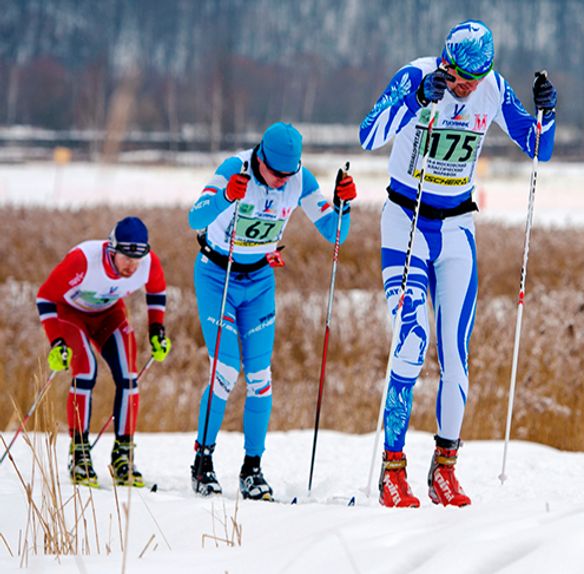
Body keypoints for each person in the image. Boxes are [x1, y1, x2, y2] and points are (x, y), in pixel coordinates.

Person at [359, 20, 557, 507]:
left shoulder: (493, 90)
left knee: (454, 353)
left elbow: (539, 148)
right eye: (456, 76)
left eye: (473, 79)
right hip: (406, 220)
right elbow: (368, 134)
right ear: (443, 60)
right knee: (410, 342)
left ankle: (444, 469)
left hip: (457, 232)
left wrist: (547, 113)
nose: (462, 87)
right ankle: (392, 468)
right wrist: (415, 101)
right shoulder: (417, 76)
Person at [188, 122, 357, 500]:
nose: (281, 182)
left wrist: (344, 207)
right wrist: (224, 199)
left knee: (261, 376)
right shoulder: (235, 168)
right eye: (275, 174)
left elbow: (335, 233)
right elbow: (194, 218)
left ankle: (252, 468)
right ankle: (203, 461)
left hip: (260, 280)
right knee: (226, 370)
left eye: (288, 174)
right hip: (219, 275)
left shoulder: (300, 180)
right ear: (260, 158)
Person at [36, 216, 172, 487]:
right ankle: (80, 455)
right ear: (112, 249)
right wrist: (57, 342)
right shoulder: (84, 260)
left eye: (138, 257)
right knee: (86, 371)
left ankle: (124, 455)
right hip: (70, 315)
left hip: (109, 316)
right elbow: (45, 297)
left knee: (129, 378)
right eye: (125, 257)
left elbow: (157, 292)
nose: (132, 265)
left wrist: (157, 330)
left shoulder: (147, 264)